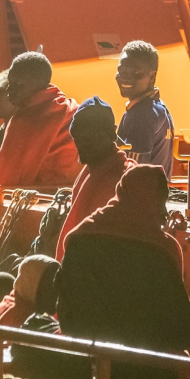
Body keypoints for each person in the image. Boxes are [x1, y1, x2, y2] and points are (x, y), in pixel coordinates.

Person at [57, 165, 190, 379]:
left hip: (81, 364)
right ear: (154, 203)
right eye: (161, 203)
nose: (164, 213)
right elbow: (183, 331)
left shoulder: (80, 237)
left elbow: (65, 311)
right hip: (147, 375)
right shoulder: (162, 250)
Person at [55, 97, 135, 260]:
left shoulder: (123, 180)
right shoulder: (90, 171)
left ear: (112, 134)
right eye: (80, 135)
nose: (85, 142)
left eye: (93, 136)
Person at [0, 52, 82, 187]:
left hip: (33, 203)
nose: (10, 90)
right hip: (72, 199)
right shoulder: (75, 110)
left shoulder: (23, 121)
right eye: (10, 83)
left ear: (40, 82)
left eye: (18, 83)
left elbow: (5, 183)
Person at [0, 254, 59, 345]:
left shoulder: (17, 303)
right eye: (47, 284)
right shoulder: (18, 315)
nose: (55, 291)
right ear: (30, 282)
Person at [115, 41, 175, 177]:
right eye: (122, 70)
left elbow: (133, 174)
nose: (126, 77)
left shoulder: (141, 115)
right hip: (154, 195)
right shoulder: (160, 108)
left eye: (136, 72)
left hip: (140, 197)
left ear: (152, 77)